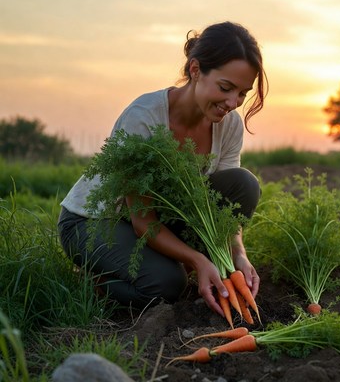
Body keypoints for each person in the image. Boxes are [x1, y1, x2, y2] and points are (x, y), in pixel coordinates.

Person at [58, 21, 268, 318]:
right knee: (168, 285)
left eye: (242, 94)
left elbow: (226, 214)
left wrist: (239, 255)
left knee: (243, 184)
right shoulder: (144, 118)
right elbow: (143, 221)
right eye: (225, 88)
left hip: (158, 220)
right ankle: (96, 281)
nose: (232, 103)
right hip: (95, 221)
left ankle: (162, 261)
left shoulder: (229, 125)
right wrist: (197, 260)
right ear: (195, 70)